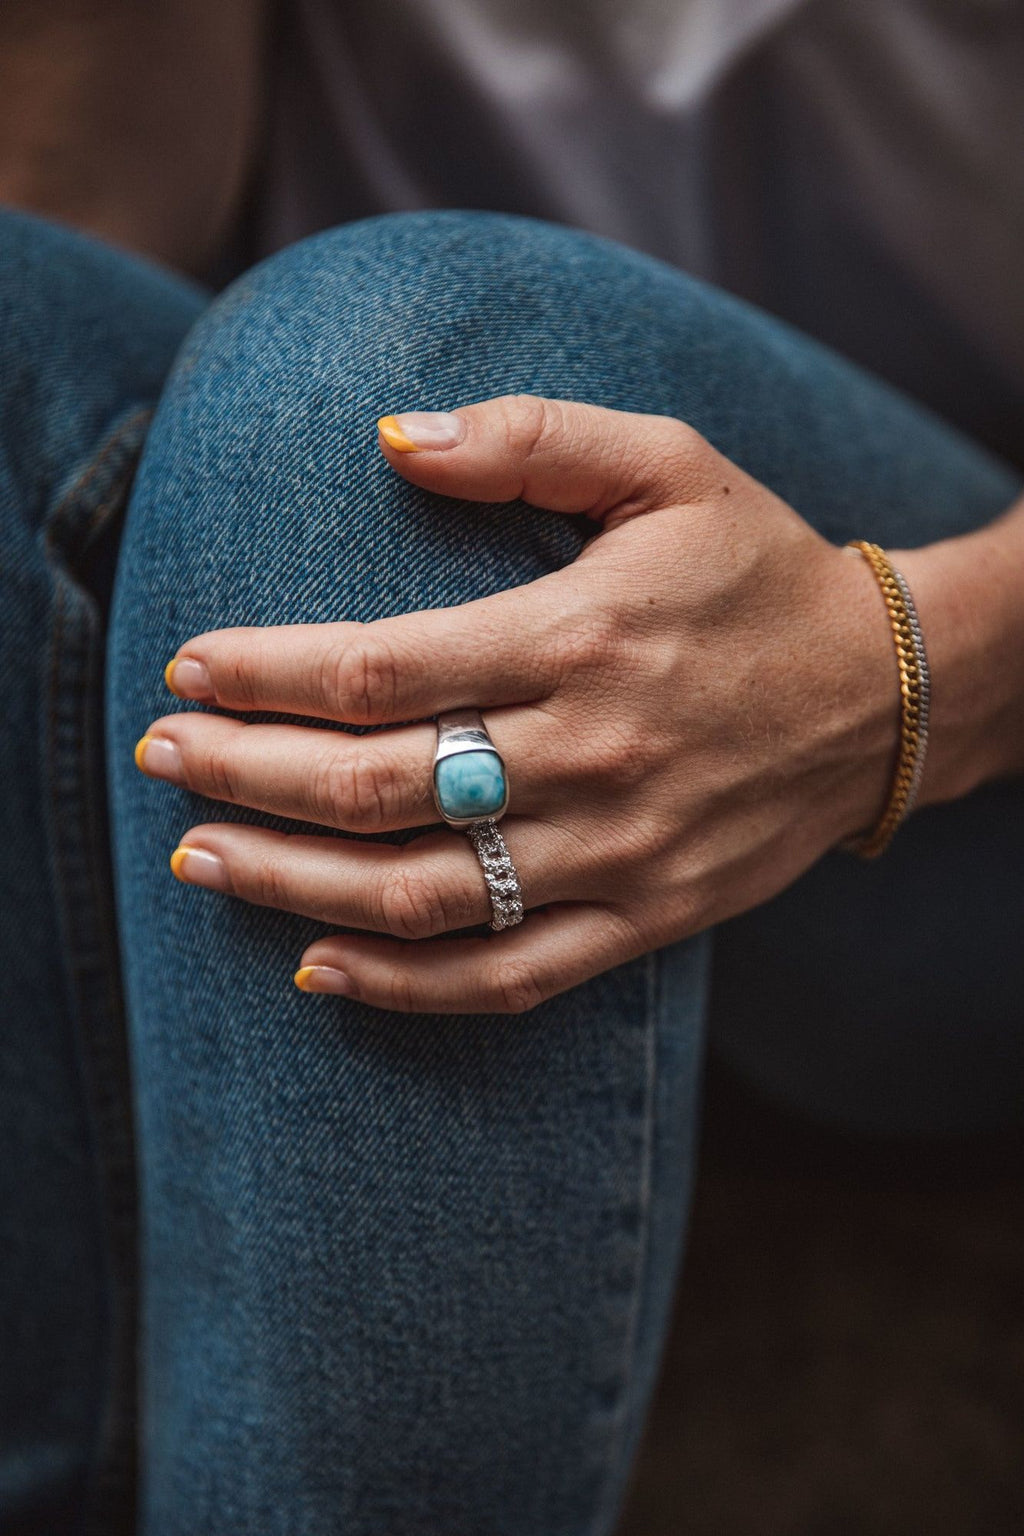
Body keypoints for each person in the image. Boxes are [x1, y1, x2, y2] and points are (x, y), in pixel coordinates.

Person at [1, 3, 1022, 1533]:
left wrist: (894, 665)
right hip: (272, 444)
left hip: (970, 713)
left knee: (395, 414)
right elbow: (94, 180)